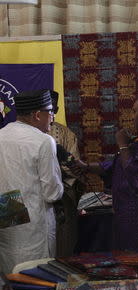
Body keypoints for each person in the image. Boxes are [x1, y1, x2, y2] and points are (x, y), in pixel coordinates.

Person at [74, 93, 138, 251]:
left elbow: (137, 175)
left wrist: (123, 144)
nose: (132, 116)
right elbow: (116, 166)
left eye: (135, 111)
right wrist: (86, 166)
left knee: (137, 260)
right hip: (129, 215)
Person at [0, 90, 64, 273]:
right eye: (50, 112)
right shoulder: (43, 141)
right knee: (35, 278)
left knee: (10, 272)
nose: (52, 117)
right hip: (34, 222)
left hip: (6, 211)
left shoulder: (1, 135)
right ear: (37, 115)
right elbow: (51, 193)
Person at [47, 90, 84, 257]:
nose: (49, 113)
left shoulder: (66, 134)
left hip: (61, 193)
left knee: (62, 241)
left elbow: (74, 167)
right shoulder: (23, 137)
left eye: (52, 109)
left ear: (56, 109)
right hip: (30, 196)